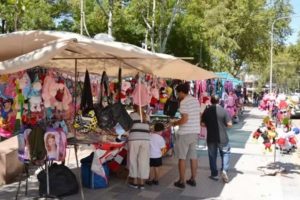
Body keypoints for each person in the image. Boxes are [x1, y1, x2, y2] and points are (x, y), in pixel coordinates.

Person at [171, 83, 201, 189]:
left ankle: (181, 181)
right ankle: (193, 179)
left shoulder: (184, 102)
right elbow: (198, 115)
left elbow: (184, 119)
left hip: (185, 133)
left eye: (177, 93)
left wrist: (174, 123)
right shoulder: (195, 100)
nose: (177, 95)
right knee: (193, 157)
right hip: (195, 131)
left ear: (181, 92)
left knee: (182, 158)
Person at [201, 95, 232, 183]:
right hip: (223, 137)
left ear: (211, 101)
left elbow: (202, 124)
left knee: (212, 156)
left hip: (211, 137)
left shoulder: (206, 111)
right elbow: (230, 124)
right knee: (225, 153)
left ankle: (214, 174)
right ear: (219, 101)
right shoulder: (223, 110)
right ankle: (224, 170)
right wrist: (223, 125)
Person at [128, 104, 150, 189]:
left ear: (134, 107)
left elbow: (127, 128)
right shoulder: (147, 116)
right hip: (146, 140)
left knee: (133, 159)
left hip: (134, 139)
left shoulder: (132, 115)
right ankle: (142, 183)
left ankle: (135, 182)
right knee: (143, 160)